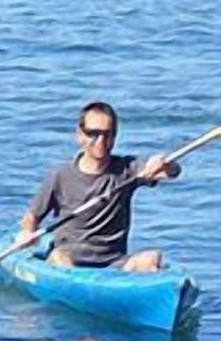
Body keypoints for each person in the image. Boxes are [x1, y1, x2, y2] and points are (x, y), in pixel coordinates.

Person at [18, 101, 180, 272]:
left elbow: (173, 171)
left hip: (113, 263)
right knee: (59, 258)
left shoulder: (127, 170)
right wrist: (27, 234)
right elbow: (32, 217)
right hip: (69, 261)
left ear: (115, 136)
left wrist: (163, 162)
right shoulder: (60, 175)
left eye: (107, 134)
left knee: (151, 258)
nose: (100, 141)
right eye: (93, 134)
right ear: (80, 135)